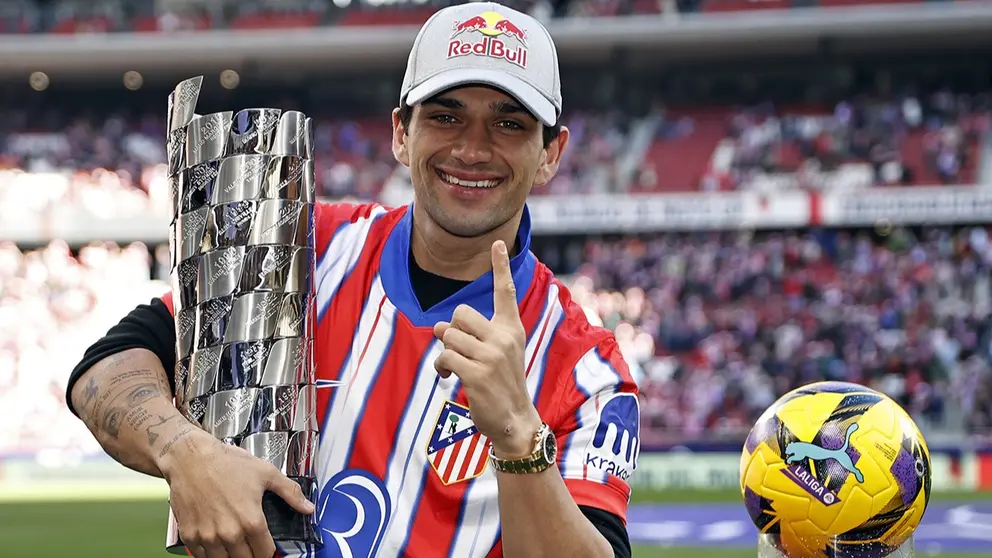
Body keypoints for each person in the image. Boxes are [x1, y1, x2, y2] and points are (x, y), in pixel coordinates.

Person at [64, 3, 640, 557]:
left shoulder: (588, 368)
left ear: (550, 153)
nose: (471, 148)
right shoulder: (301, 245)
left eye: (509, 123)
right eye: (445, 115)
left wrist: (518, 435)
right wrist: (183, 450)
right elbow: (108, 365)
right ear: (400, 133)